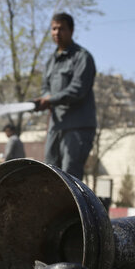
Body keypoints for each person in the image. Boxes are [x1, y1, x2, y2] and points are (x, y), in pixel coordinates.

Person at [33, 12, 96, 180]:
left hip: (78, 127)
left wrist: (50, 99)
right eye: (53, 29)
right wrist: (44, 99)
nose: (56, 33)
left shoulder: (82, 57)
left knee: (70, 175)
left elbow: (78, 89)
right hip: (56, 126)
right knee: (49, 172)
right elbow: (45, 88)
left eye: (61, 29)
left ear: (71, 30)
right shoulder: (50, 62)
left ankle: (74, 207)